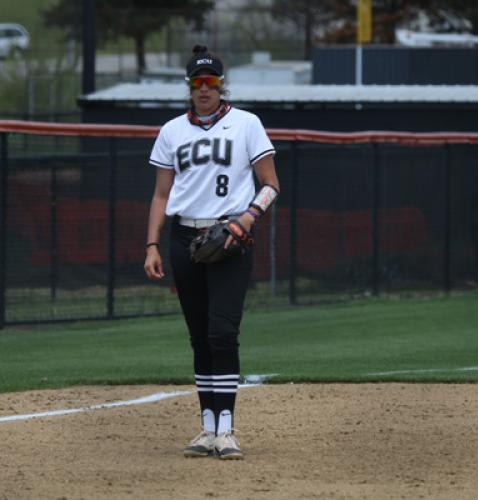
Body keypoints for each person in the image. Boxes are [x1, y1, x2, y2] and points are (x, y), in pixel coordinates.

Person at [144, 45, 279, 460]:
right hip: (184, 239)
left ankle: (227, 430)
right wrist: (152, 243)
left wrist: (247, 218)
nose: (204, 89)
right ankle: (206, 429)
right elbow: (162, 193)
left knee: (223, 332)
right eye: (197, 83)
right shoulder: (172, 131)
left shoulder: (246, 124)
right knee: (200, 336)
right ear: (189, 88)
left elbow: (271, 184)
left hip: (230, 237)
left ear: (222, 86)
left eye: (211, 82)